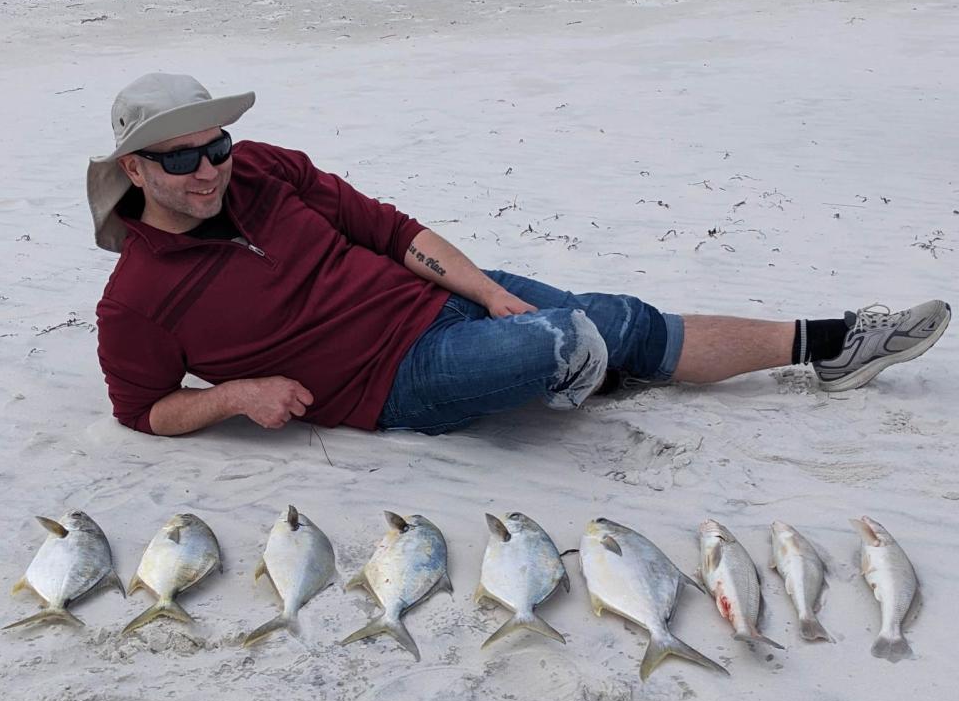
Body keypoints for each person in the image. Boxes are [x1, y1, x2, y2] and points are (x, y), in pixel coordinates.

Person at [89, 74, 951, 437]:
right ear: (136, 169)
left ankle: (831, 344)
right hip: (392, 385)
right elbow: (143, 410)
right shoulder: (135, 302)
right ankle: (577, 363)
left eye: (216, 146)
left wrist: (487, 290)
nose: (208, 169)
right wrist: (237, 395)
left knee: (626, 322)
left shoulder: (269, 168)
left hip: (442, 305)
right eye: (179, 159)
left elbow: (392, 232)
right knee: (563, 339)